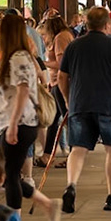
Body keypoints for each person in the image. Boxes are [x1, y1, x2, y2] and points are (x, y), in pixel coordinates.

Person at [56, 6, 111, 213]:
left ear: (86, 22)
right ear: (106, 24)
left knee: (78, 149)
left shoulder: (74, 46)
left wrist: (68, 100)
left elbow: (61, 78)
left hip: (80, 104)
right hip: (108, 105)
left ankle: (71, 186)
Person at [0, 11, 58, 221]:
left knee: (9, 174)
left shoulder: (19, 58)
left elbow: (23, 90)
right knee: (8, 174)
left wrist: (14, 124)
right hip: (5, 123)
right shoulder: (8, 58)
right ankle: (46, 204)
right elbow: (5, 95)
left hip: (19, 124)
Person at [36, 13, 74, 174]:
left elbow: (61, 63)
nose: (45, 36)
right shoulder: (65, 35)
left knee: (66, 118)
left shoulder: (60, 39)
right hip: (56, 83)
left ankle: (72, 155)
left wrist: (41, 63)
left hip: (60, 82)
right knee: (53, 119)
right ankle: (47, 155)